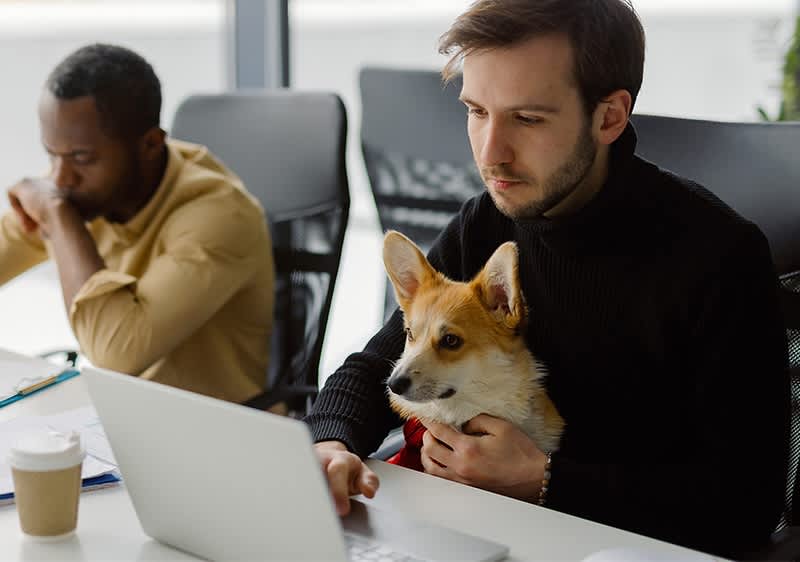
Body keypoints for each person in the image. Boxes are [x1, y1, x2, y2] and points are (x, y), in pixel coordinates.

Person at [305, 0, 790, 558]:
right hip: (488, 531)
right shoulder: (485, 222)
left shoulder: (719, 257)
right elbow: (377, 369)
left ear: (609, 117)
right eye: (476, 110)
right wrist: (331, 444)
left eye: (527, 119)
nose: (491, 154)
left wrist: (547, 481)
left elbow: (746, 502)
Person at [0, 44, 274, 403]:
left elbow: (115, 352)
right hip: (116, 417)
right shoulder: (79, 188)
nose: (60, 177)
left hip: (215, 434)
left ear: (150, 144)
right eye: (52, 154)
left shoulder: (221, 214)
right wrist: (58, 210)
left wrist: (58, 216)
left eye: (81, 157)